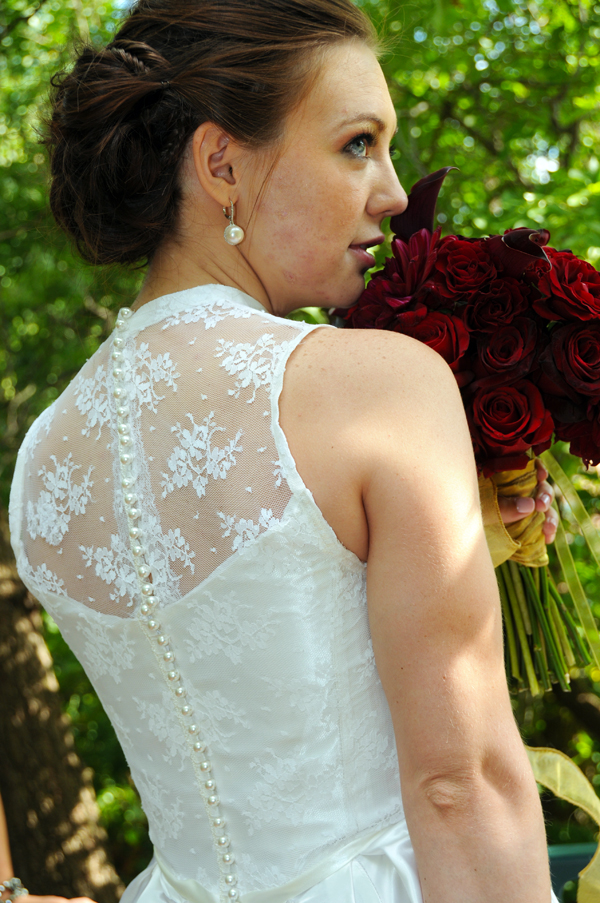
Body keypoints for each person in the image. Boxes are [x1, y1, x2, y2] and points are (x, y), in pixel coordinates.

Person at [8, 1, 561, 901]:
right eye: (357, 143)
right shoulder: (382, 383)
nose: (391, 190)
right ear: (221, 162)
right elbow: (462, 784)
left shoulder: (42, 457)